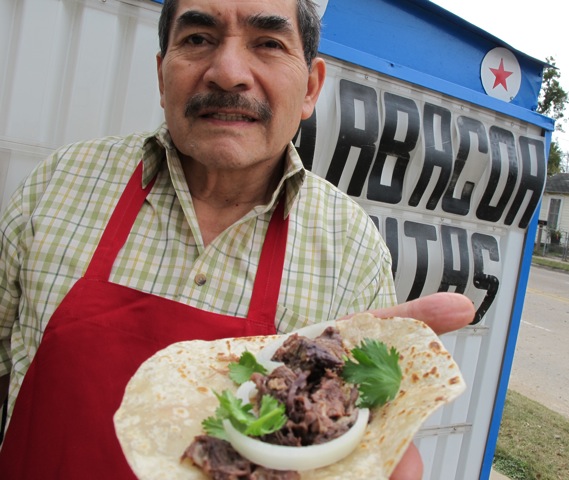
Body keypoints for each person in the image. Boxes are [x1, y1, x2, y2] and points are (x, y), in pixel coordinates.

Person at [0, 0, 474, 477]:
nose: (227, 73)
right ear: (162, 74)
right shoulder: (60, 184)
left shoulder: (353, 250)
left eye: (268, 43)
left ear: (310, 87)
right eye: (198, 39)